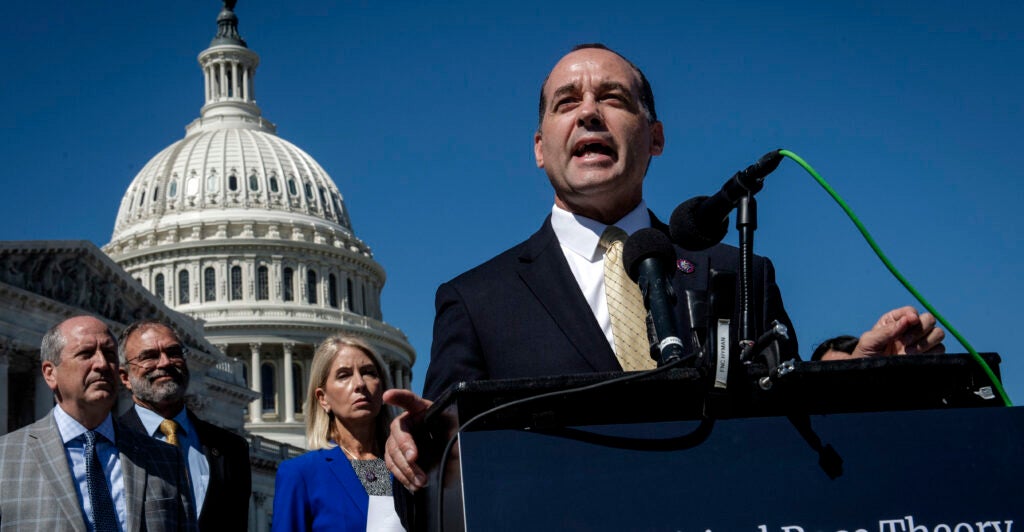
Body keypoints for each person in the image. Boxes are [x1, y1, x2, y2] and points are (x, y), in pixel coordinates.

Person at [384, 44, 946, 492]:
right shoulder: (477, 299)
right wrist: (421, 445)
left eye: (612, 98)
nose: (588, 113)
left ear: (655, 138)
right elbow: (438, 468)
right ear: (539, 147)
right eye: (566, 102)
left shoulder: (741, 270)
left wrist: (864, 379)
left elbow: (797, 435)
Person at [0, 315, 195, 531]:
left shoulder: (165, 459)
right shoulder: (5, 458)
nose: (102, 364)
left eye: (110, 354)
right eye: (86, 354)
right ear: (50, 373)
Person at [117, 319, 251, 531]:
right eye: (149, 356)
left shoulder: (231, 448)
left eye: (173, 352)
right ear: (124, 377)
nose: (165, 363)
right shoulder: (110, 442)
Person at [272, 336, 404, 531]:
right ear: (323, 398)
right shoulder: (300, 474)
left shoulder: (406, 468)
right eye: (344, 375)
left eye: (369, 373)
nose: (359, 383)